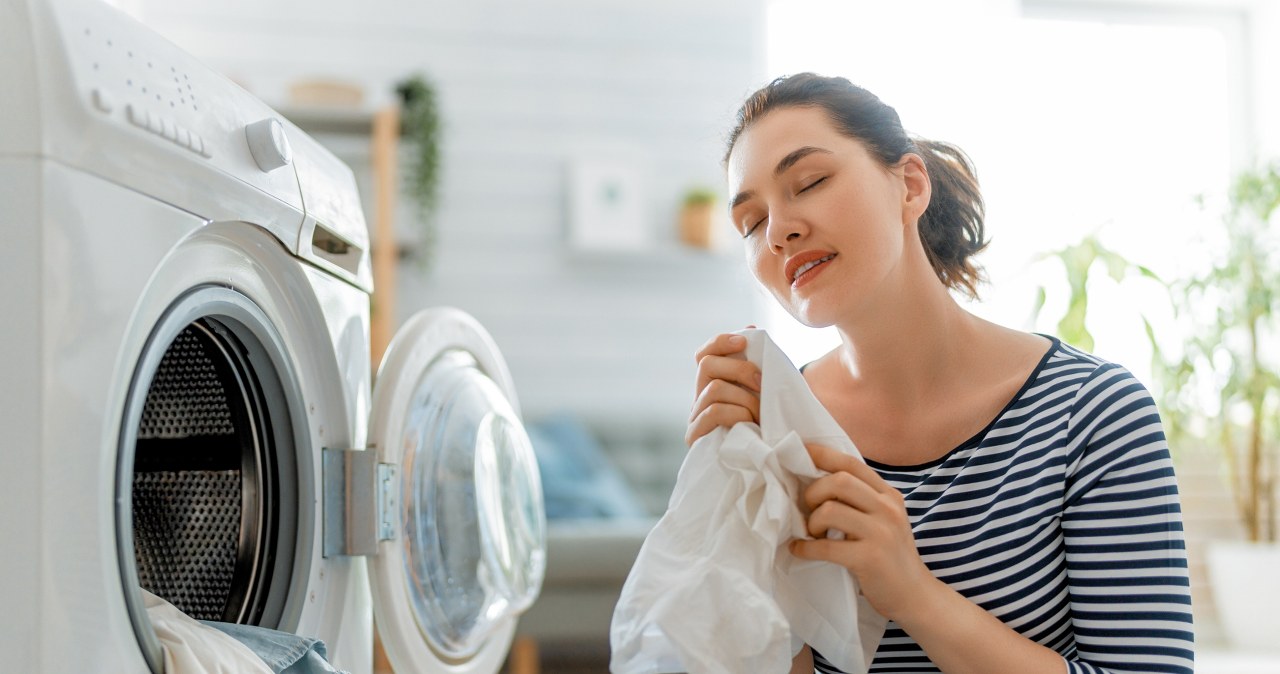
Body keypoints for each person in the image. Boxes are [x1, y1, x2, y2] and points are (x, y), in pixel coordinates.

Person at [685, 73, 1194, 674]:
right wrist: (728, 507)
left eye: (811, 182)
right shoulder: (779, 433)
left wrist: (912, 592)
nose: (777, 232)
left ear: (909, 185)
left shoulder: (1093, 414)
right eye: (750, 222)